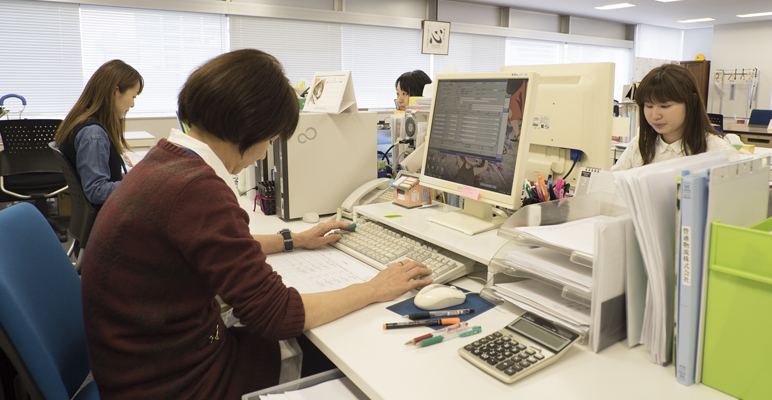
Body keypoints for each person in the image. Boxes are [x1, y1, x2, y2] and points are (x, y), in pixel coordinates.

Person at [80, 49, 433, 400]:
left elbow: (213, 244)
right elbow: (278, 315)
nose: (265, 152)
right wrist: (374, 288)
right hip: (177, 383)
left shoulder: (167, 160)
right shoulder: (198, 190)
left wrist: (293, 239)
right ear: (248, 127)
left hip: (140, 364)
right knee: (354, 359)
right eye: (269, 138)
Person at [611, 64, 739, 171]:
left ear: (692, 102)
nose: (655, 115)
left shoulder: (719, 153)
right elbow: (613, 184)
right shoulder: (640, 144)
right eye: (649, 106)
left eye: (665, 106)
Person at [55, 60, 143, 206]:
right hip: (107, 218)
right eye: (133, 96)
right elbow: (96, 191)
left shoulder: (82, 122)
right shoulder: (93, 134)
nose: (133, 104)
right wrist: (139, 183)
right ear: (116, 92)